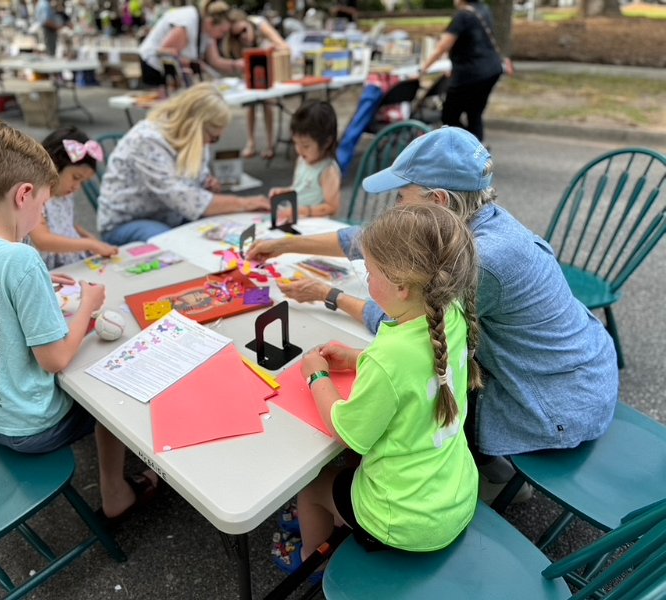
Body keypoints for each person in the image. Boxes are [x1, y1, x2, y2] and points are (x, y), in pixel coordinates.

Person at [247, 127, 619, 500]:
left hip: (560, 403)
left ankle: (472, 478)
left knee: (421, 387)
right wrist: (284, 244)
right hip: (577, 368)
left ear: (438, 200)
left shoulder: (482, 260)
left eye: (400, 197)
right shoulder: (475, 217)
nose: (394, 208)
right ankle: (483, 465)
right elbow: (367, 238)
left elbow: (415, 327)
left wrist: (330, 294)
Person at [0, 117, 156, 525]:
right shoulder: (20, 259)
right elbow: (55, 361)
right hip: (32, 426)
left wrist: (28, 286)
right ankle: (116, 492)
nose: (41, 215)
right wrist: (87, 302)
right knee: (113, 390)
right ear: (24, 195)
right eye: (43, 206)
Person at [276, 203, 480, 572]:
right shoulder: (451, 311)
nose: (367, 280)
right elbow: (419, 371)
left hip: (403, 521)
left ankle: (311, 561)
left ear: (401, 286)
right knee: (352, 471)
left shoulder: (389, 358)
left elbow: (348, 433)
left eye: (369, 273)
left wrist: (316, 375)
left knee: (311, 487)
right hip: (455, 494)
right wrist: (358, 358)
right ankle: (338, 522)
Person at [97, 83, 270, 245]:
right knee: (174, 245)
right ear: (196, 127)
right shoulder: (146, 140)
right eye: (213, 137)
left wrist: (205, 184)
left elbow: (193, 190)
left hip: (169, 214)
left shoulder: (192, 138)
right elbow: (184, 199)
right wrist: (245, 203)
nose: (211, 144)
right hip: (126, 222)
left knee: (221, 233)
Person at [29, 126, 119, 269]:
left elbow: (66, 224)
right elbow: (43, 240)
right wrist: (90, 244)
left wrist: (89, 237)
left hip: (72, 259)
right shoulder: (34, 197)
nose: (77, 187)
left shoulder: (64, 194)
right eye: (75, 178)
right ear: (53, 166)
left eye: (82, 182)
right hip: (51, 270)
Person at [420, 0, 503, 142]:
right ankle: (477, 153)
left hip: (471, 73)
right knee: (474, 114)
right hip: (492, 69)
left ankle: (467, 148)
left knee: (449, 116)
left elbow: (442, 47)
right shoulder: (483, 8)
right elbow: (473, 41)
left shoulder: (463, 16)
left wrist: (423, 69)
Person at [221, 8, 288, 160]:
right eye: (237, 35)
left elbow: (283, 45)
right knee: (250, 103)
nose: (243, 36)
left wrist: (271, 51)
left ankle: (270, 143)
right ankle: (251, 142)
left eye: (244, 30)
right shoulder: (235, 42)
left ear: (248, 22)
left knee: (268, 103)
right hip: (252, 74)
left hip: (270, 70)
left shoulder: (260, 24)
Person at [137, 0, 243, 87]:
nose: (222, 36)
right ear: (211, 23)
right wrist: (189, 63)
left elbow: (214, 60)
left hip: (171, 76)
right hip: (155, 70)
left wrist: (236, 65)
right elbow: (164, 52)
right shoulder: (187, 24)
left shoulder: (208, 31)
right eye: (222, 32)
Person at [268, 99, 341, 218]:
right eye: (295, 143)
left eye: (306, 146)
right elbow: (300, 189)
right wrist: (285, 192)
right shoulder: (302, 160)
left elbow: (332, 207)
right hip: (298, 219)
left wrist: (304, 211)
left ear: (327, 142)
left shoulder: (328, 171)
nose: (299, 150)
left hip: (316, 225)